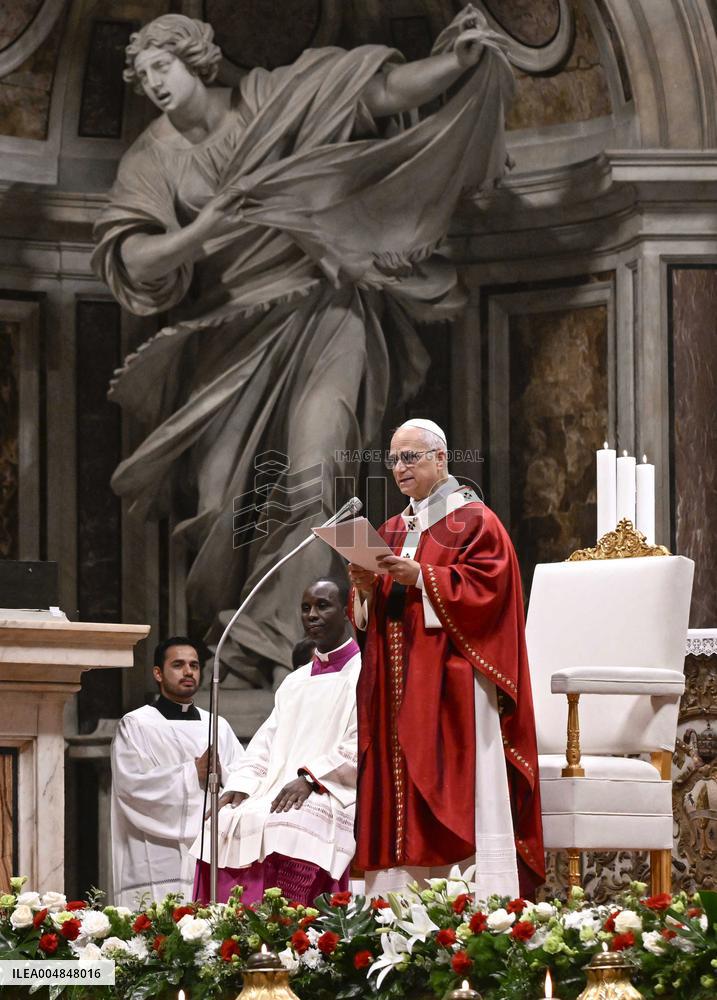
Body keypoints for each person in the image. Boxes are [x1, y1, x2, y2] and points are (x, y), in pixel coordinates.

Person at [92, 9, 515, 681]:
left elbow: (375, 91)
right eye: (143, 77)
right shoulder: (154, 155)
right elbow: (134, 258)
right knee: (220, 505)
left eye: (162, 68)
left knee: (317, 476)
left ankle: (288, 645)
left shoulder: (272, 97)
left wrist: (457, 63)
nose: (155, 85)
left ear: (198, 59)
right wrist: (202, 232)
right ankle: (247, 633)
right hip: (228, 333)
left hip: (325, 309)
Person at [348, 419, 545, 900]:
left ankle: (476, 901)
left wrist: (422, 576)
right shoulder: (392, 529)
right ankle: (395, 905)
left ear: (441, 459)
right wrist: (365, 591)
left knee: (451, 791)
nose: (400, 467)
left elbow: (490, 594)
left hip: (451, 686)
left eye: (410, 457)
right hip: (398, 686)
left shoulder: (476, 521)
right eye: (394, 459)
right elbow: (372, 620)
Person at [191, 578, 360, 904]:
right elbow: (266, 743)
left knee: (293, 820)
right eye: (306, 608)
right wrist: (240, 784)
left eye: (323, 606)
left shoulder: (363, 673)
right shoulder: (294, 682)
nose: (312, 615)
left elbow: (361, 743)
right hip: (278, 786)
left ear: (347, 611)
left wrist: (311, 778)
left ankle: (292, 925)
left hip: (331, 789)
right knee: (222, 821)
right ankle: (226, 929)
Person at [110, 636, 244, 906]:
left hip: (209, 850)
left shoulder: (217, 724)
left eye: (194, 665)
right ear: (158, 673)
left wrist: (223, 774)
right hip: (155, 853)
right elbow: (131, 787)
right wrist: (191, 773)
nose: (188, 672)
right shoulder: (136, 724)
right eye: (178, 665)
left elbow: (244, 782)